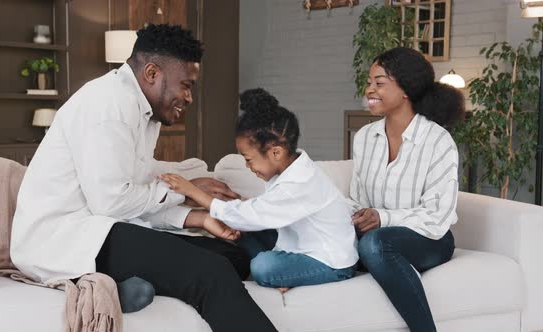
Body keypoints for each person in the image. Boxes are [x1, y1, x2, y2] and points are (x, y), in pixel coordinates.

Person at [10, 24, 278, 331]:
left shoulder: (146, 112)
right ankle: (114, 280)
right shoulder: (107, 104)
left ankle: (126, 283)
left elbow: (139, 196)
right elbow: (112, 201)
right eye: (186, 85)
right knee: (211, 271)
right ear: (152, 74)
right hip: (65, 236)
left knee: (233, 257)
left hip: (104, 225)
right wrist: (186, 191)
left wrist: (197, 216)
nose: (189, 97)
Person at [161, 88, 359, 293]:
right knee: (243, 233)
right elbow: (265, 211)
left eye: (248, 159)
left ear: (276, 152)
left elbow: (259, 211)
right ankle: (283, 273)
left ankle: (282, 275)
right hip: (299, 244)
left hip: (331, 262)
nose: (248, 166)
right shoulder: (287, 170)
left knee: (263, 266)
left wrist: (194, 192)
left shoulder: (300, 182)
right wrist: (243, 205)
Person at [349, 47, 465, 332]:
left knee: (375, 245)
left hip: (430, 239)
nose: (369, 90)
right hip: (375, 234)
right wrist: (358, 216)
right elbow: (358, 198)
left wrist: (383, 218)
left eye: (379, 83)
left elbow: (437, 215)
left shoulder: (438, 141)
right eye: (369, 82)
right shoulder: (365, 137)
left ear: (405, 89)